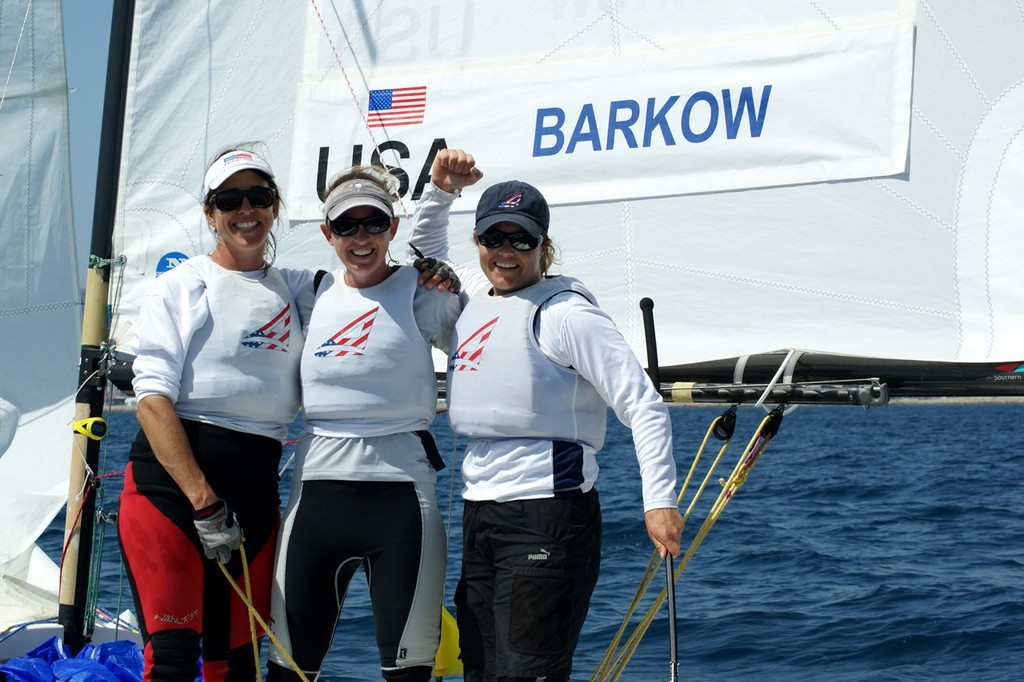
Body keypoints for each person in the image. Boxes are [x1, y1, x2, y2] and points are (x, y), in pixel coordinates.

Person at [409, 150, 686, 682]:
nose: (506, 252)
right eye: (494, 238)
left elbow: (642, 405)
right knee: (482, 671)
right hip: (481, 513)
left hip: (548, 517)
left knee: (525, 674)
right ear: (480, 243)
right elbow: (423, 256)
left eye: (522, 240)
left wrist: (659, 502)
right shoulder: (472, 292)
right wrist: (441, 191)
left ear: (545, 246)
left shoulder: (567, 315)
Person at [266, 163, 475, 682]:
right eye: (346, 226)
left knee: (408, 675)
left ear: (393, 228)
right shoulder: (305, 292)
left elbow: (496, 325)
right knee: (288, 671)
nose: (361, 237)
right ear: (326, 233)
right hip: (315, 499)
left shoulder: (426, 291)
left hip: (403, 502)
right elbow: (232, 278)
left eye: (374, 224)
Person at [118, 145, 313, 680]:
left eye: (259, 196)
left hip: (253, 495)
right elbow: (153, 400)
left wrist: (432, 264)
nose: (245, 209)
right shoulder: (182, 286)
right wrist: (203, 502)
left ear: (275, 207)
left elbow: (369, 279)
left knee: (241, 666)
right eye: (230, 199)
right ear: (210, 213)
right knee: (174, 661)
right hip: (172, 497)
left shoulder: (296, 289)